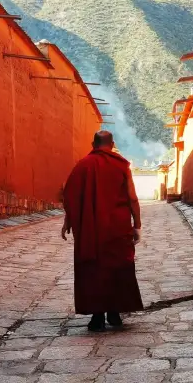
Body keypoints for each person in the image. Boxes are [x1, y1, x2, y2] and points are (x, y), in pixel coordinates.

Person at [61, 130, 144, 331]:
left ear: (93, 144)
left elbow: (71, 196)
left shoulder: (82, 166)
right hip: (117, 227)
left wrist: (68, 221)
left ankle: (97, 317)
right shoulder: (121, 165)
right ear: (112, 143)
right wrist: (137, 225)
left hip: (92, 229)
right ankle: (114, 314)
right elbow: (132, 197)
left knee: (94, 268)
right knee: (118, 267)